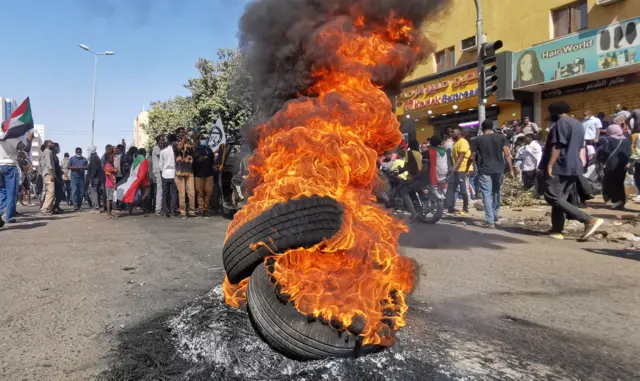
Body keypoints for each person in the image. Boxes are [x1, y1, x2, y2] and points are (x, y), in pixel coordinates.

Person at [540, 101, 603, 240]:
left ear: (555, 112)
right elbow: (581, 146)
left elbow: (557, 146)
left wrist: (550, 165)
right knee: (560, 199)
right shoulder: (578, 124)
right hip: (574, 166)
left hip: (560, 166)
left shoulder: (560, 124)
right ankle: (556, 230)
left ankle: (588, 220)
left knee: (552, 196)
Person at [468, 120, 514, 228]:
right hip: (499, 169)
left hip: (484, 169)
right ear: (492, 127)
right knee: (496, 191)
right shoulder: (501, 137)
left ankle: (490, 221)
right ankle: (495, 214)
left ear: (482, 128)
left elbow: (472, 156)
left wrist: (469, 167)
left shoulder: (477, 140)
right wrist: (511, 169)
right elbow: (507, 153)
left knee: (487, 194)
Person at [0, 130, 34, 225]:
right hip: (10, 166)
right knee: (11, 193)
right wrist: (29, 139)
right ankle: (9, 217)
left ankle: (0, 213)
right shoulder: (11, 138)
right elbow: (26, 149)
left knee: (2, 191)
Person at [597, 123, 631, 209]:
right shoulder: (626, 139)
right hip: (623, 163)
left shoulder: (608, 139)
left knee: (612, 181)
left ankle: (615, 200)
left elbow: (605, 151)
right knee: (620, 182)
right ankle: (621, 200)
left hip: (612, 163)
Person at [396, 140, 427, 220]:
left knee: (403, 192)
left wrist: (400, 170)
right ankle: (418, 210)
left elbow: (406, 166)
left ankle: (414, 214)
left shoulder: (408, 153)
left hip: (413, 177)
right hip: (422, 177)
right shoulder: (420, 153)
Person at [445, 127, 471, 215]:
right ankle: (450, 207)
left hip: (462, 169)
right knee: (452, 188)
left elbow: (461, 156)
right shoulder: (456, 143)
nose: (451, 133)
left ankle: (465, 208)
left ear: (459, 133)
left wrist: (454, 168)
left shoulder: (463, 142)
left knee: (463, 190)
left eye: (453, 132)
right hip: (457, 169)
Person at [174, 131, 196, 219]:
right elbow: (180, 147)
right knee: (182, 194)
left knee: (191, 192)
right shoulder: (175, 145)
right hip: (179, 172)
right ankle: (183, 212)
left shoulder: (188, 145)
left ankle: (192, 212)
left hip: (189, 171)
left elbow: (193, 150)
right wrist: (186, 135)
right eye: (182, 135)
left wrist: (194, 140)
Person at [193, 135, 215, 216]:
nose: (203, 141)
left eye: (204, 139)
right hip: (199, 174)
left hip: (209, 174)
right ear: (199, 141)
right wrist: (201, 159)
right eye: (202, 139)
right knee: (200, 192)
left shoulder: (209, 150)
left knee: (209, 191)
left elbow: (212, 161)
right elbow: (194, 161)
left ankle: (206, 209)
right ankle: (201, 209)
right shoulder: (196, 151)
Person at [160, 134, 178, 217]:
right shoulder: (175, 151)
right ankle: (173, 210)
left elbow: (160, 165)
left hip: (165, 174)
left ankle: (165, 210)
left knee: (165, 193)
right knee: (174, 193)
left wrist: (162, 171)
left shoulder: (163, 151)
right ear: (174, 141)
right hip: (174, 173)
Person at [40, 140, 56, 215]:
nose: (52, 144)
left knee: (49, 192)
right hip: (48, 174)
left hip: (46, 174)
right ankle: (45, 209)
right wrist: (51, 175)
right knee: (50, 192)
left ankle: (48, 209)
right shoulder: (47, 152)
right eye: (51, 143)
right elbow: (49, 164)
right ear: (47, 144)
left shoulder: (46, 152)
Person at [87, 146, 103, 214]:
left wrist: (91, 178)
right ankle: (96, 206)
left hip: (94, 178)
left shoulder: (93, 158)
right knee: (94, 192)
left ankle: (96, 208)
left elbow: (94, 170)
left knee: (93, 192)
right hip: (97, 178)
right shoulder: (96, 157)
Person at [152, 135, 165, 216]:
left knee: (162, 189)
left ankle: (161, 208)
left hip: (161, 170)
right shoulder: (156, 148)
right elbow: (162, 155)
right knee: (160, 189)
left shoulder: (160, 148)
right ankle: (158, 209)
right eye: (162, 140)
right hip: (158, 170)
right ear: (158, 141)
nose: (163, 141)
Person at [104, 153, 118, 219]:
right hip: (109, 184)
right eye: (111, 158)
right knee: (109, 199)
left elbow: (115, 171)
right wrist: (113, 184)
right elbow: (109, 176)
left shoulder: (110, 165)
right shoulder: (107, 166)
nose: (112, 159)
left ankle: (110, 213)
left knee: (111, 198)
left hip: (111, 184)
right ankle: (108, 214)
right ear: (107, 159)